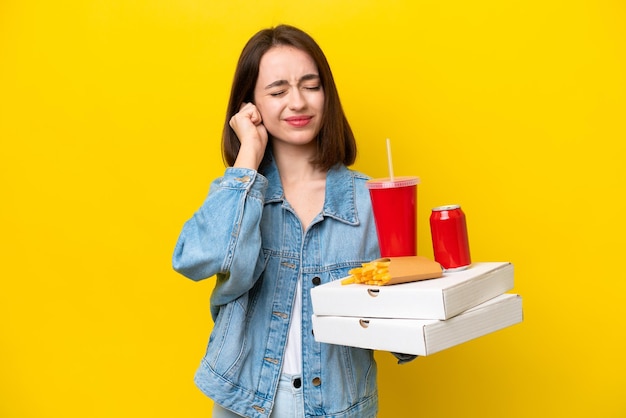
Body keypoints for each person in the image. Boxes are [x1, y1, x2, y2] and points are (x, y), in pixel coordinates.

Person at [172, 24, 413, 418]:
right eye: (278, 91)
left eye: (310, 85)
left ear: (326, 95)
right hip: (242, 403)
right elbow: (196, 259)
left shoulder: (370, 201)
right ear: (251, 106)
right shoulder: (239, 194)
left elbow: (401, 334)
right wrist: (247, 156)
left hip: (340, 407)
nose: (297, 102)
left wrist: (430, 294)